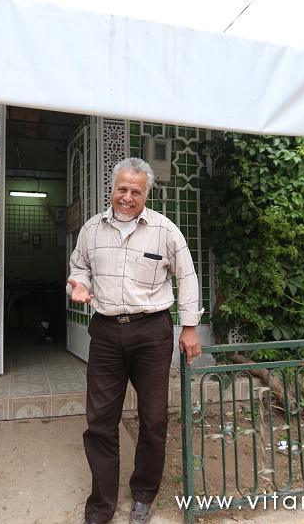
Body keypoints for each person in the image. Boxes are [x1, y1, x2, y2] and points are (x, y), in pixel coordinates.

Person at [67, 157, 203, 524]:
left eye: (136, 191)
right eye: (121, 189)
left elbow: (187, 277)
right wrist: (79, 284)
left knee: (154, 419)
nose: (127, 197)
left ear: (146, 194)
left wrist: (189, 328)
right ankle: (102, 504)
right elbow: (79, 268)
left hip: (152, 332)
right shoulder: (91, 230)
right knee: (100, 422)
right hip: (107, 332)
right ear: (111, 189)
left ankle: (144, 494)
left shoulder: (165, 230)